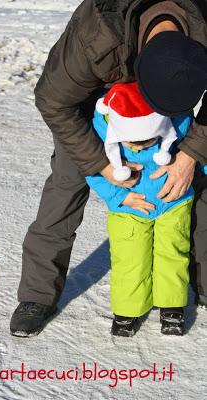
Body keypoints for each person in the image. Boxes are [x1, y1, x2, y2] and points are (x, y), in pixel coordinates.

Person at [10, 0, 207, 337]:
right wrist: (101, 165)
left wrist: (189, 154)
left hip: (168, 93)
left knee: (192, 180)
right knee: (68, 183)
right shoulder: (97, 34)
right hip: (87, 99)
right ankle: (37, 295)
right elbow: (52, 100)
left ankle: (201, 278)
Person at [86, 81, 201, 337]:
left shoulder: (178, 123)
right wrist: (119, 196)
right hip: (128, 209)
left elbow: (196, 153)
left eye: (145, 142)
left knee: (172, 254)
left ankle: (172, 306)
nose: (137, 148)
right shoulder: (102, 129)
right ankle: (128, 310)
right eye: (130, 142)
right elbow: (92, 170)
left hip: (174, 203)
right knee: (129, 259)